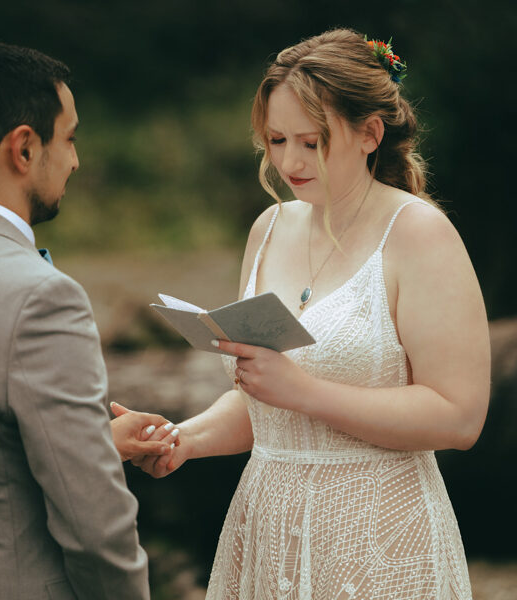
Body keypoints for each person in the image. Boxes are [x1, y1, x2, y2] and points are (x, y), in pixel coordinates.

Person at [120, 28, 490, 599]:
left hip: (378, 542)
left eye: (311, 142)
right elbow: (263, 402)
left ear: (370, 134)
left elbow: (459, 416)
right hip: (270, 531)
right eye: (275, 139)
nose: (289, 161)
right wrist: (185, 439)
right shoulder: (269, 230)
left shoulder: (420, 234)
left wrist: (302, 390)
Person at [0, 42, 173, 600]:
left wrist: (95, 443)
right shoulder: (41, 298)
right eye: (71, 137)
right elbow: (94, 525)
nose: (76, 160)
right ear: (25, 149)